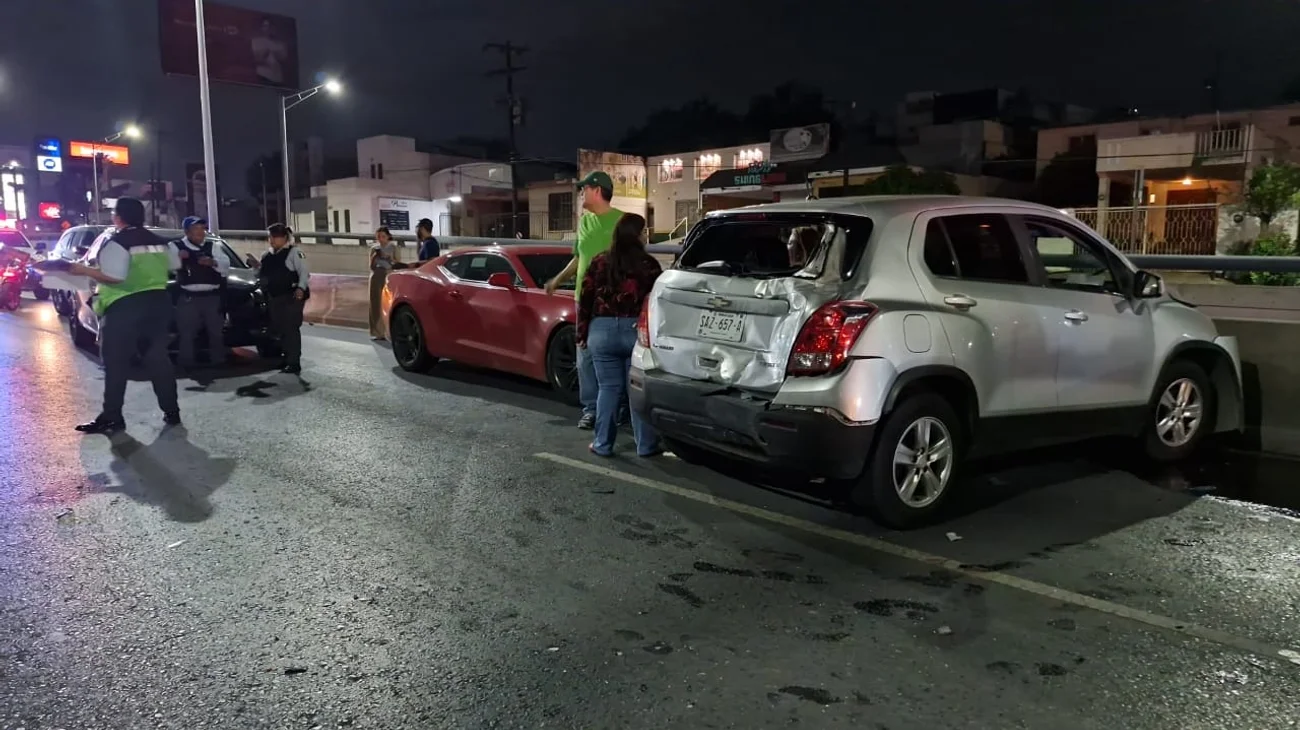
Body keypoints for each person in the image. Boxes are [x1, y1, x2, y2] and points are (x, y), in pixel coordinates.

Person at [38, 198, 179, 433]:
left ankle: (112, 417)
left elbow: (115, 277)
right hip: (159, 305)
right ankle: (171, 411)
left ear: (119, 217)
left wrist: (81, 270)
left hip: (125, 306)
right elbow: (173, 265)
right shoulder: (163, 243)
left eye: (114, 213)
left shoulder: (117, 243)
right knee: (158, 359)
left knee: (115, 363)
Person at [545, 170, 627, 430]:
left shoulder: (623, 222)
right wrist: (557, 280)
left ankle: (619, 407)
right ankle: (591, 408)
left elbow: (634, 261)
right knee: (585, 356)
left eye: (584, 189)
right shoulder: (585, 222)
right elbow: (579, 258)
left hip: (613, 302)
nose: (581, 194)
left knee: (615, 356)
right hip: (584, 301)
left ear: (597, 190)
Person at [576, 212, 662, 457]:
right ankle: (645, 446)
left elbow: (586, 298)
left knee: (608, 388)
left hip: (601, 331)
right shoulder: (649, 265)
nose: (646, 235)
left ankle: (602, 444)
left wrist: (581, 332)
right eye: (644, 231)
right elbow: (655, 302)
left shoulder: (600, 261)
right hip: (634, 331)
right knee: (636, 391)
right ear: (636, 235)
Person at [245, 223, 309, 374]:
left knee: (291, 328)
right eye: (270, 237)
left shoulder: (295, 253)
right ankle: (287, 358)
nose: (272, 240)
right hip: (274, 296)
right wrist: (255, 267)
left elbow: (304, 272)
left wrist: (301, 288)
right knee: (279, 328)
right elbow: (261, 275)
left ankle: (294, 361)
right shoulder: (267, 255)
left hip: (291, 296)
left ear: (285, 237)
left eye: (276, 237)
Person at [171, 216, 230, 372]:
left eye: (202, 229)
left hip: (212, 296)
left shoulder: (213, 246)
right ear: (187, 232)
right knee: (187, 332)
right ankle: (187, 362)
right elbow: (170, 265)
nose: (200, 232)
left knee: (215, 331)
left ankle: (218, 361)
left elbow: (225, 265)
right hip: (189, 298)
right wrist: (180, 258)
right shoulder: (175, 246)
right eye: (196, 229)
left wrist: (213, 262)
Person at [369, 226, 400, 340]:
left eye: (383, 236)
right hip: (376, 276)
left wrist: (388, 258)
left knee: (388, 303)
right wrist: (375, 257)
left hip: (388, 275)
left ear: (388, 237)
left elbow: (397, 263)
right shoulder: (374, 248)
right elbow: (371, 266)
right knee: (375, 303)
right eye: (378, 237)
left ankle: (390, 330)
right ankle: (377, 331)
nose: (381, 239)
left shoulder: (393, 247)